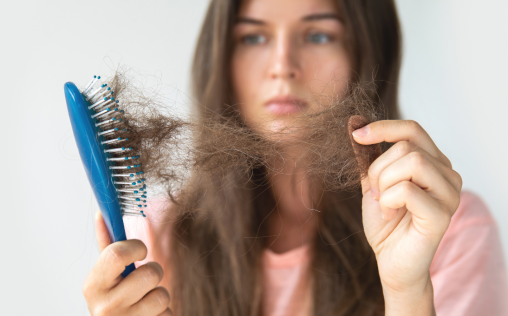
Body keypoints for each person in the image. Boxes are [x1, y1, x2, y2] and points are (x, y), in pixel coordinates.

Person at [82, 0, 508, 315]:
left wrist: (408, 291)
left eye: (318, 34)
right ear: (222, 60)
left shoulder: (442, 228)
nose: (283, 65)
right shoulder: (159, 239)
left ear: (368, 54)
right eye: (253, 37)